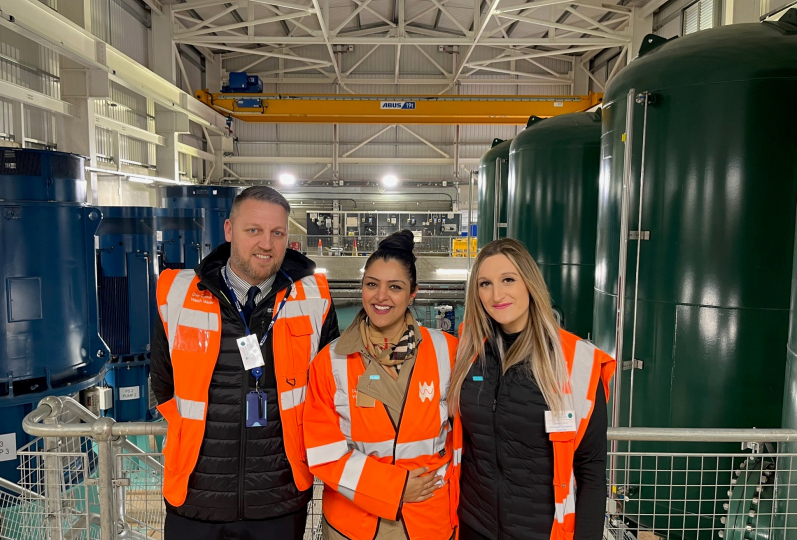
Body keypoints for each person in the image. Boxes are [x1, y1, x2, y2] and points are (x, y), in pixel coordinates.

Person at [150, 186, 340, 540]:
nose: (266, 244)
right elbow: (162, 384)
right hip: (194, 496)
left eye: (277, 233)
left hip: (279, 498)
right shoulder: (176, 292)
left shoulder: (315, 298)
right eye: (253, 230)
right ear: (228, 231)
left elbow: (327, 392)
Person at [446, 238, 615, 540]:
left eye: (508, 280)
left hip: (542, 531)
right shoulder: (469, 351)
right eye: (485, 284)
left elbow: (591, 467)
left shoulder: (577, 361)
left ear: (529, 283)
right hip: (474, 525)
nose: (496, 295)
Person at [303, 230, 458, 540]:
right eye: (372, 284)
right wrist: (395, 488)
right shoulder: (331, 361)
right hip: (355, 523)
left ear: (413, 293)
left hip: (428, 519)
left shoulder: (448, 352)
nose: (381, 297)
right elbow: (323, 451)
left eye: (395, 287)